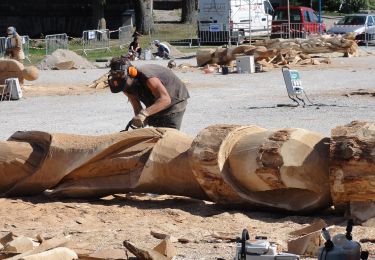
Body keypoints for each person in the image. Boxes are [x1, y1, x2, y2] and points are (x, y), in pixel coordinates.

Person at [108, 57, 189, 130]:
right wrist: (140, 119)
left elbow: (165, 100)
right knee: (155, 133)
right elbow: (136, 106)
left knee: (168, 135)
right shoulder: (123, 85)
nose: (118, 78)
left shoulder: (147, 76)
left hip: (174, 100)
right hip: (156, 100)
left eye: (120, 75)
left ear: (131, 72)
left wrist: (144, 113)